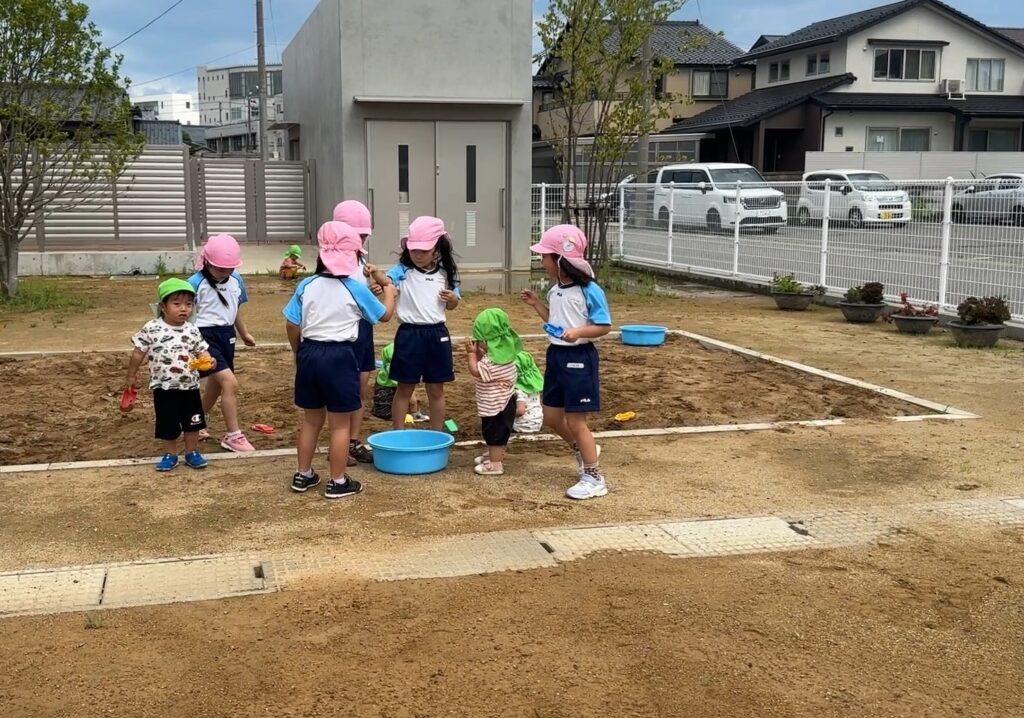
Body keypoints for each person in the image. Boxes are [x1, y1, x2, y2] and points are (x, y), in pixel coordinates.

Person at [283, 221, 395, 499]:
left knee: (311, 420)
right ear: (354, 256)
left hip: (309, 353)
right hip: (340, 356)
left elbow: (292, 323)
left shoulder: (306, 284)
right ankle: (338, 479)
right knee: (340, 424)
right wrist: (390, 291)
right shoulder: (355, 287)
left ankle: (303, 473)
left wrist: (298, 352)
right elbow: (384, 315)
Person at [521, 224, 612, 500]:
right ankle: (583, 450)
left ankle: (594, 476)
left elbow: (604, 325)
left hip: (579, 359)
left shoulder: (589, 290)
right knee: (551, 417)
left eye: (545, 256)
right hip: (557, 356)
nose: (541, 261)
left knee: (576, 421)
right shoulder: (555, 289)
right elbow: (556, 321)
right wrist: (537, 305)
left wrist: (579, 333)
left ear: (561, 260)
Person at [126, 278, 216, 472]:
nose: (183, 309)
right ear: (163, 306)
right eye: (177, 304)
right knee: (167, 422)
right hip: (163, 387)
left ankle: (192, 452)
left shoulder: (192, 330)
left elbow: (202, 351)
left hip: (189, 386)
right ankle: (170, 454)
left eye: (188, 304)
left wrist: (208, 360)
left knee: (192, 421)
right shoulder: (152, 328)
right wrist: (131, 375)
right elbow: (138, 351)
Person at [386, 215, 461, 431]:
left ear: (437, 250)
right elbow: (388, 281)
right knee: (404, 387)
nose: (417, 255)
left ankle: (437, 434)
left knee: (436, 388)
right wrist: (380, 281)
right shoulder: (402, 270)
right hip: (409, 334)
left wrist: (453, 299)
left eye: (423, 250)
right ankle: (398, 432)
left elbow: (453, 305)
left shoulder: (446, 275)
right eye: (413, 249)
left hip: (437, 334)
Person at [332, 200, 390, 465]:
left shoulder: (361, 258)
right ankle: (340, 441)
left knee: (362, 384)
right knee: (343, 387)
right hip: (341, 330)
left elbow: (362, 293)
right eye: (358, 234)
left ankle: (353, 440)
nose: (362, 239)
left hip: (363, 328)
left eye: (365, 235)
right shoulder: (332, 261)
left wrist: (374, 289)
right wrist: (387, 292)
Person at [188, 233, 257, 453]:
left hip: (227, 336)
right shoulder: (194, 283)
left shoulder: (237, 281)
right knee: (230, 383)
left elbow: (234, 309)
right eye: (220, 268)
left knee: (217, 384)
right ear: (207, 262)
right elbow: (183, 314)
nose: (226, 272)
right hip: (202, 337)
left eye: (230, 268)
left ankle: (195, 421)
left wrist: (243, 333)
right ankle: (233, 435)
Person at [465, 308, 521, 476]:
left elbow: (476, 370)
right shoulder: (503, 357)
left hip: (497, 407)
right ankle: (492, 455)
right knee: (495, 433)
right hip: (501, 403)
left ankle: (495, 464)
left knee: (495, 434)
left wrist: (471, 354)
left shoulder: (494, 364)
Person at [371, 343, 428, 423]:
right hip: (390, 392)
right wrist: (414, 410)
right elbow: (410, 396)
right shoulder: (404, 353)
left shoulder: (391, 348)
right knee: (407, 390)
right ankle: (415, 414)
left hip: (382, 388)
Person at [512, 350, 544, 434]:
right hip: (536, 422)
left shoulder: (519, 390)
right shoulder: (532, 386)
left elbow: (520, 411)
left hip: (522, 425)